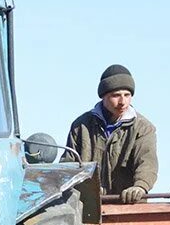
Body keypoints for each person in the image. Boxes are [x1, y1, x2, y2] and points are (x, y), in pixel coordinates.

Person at [63, 64, 158, 203]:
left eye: (127, 95)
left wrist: (140, 187)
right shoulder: (81, 126)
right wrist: (86, 188)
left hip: (128, 206)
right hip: (87, 207)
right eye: (116, 96)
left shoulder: (143, 128)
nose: (122, 102)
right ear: (104, 96)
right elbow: (68, 166)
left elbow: (147, 162)